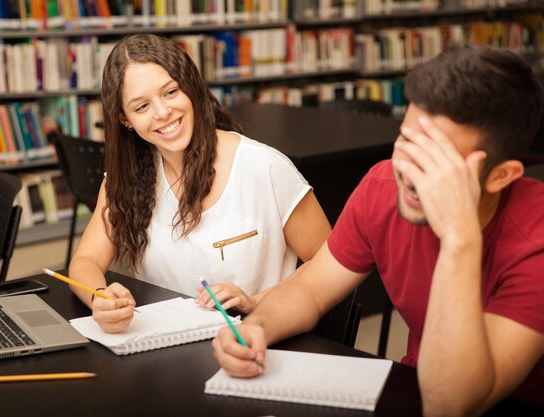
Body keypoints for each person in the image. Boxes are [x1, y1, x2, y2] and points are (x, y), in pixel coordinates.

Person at [212, 45, 544, 416]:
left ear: (501, 175)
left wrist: (459, 238)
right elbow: (310, 289)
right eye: (407, 142)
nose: (407, 171)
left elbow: (452, 404)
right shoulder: (384, 185)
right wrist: (258, 328)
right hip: (415, 388)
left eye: (438, 161)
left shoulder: (536, 238)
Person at [68, 34, 330, 333]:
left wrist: (256, 302)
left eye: (170, 92)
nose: (162, 112)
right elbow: (86, 259)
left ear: (190, 86)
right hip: (162, 348)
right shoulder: (126, 179)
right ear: (125, 120)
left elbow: (326, 266)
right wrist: (99, 297)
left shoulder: (264, 167)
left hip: (255, 342)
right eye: (141, 107)